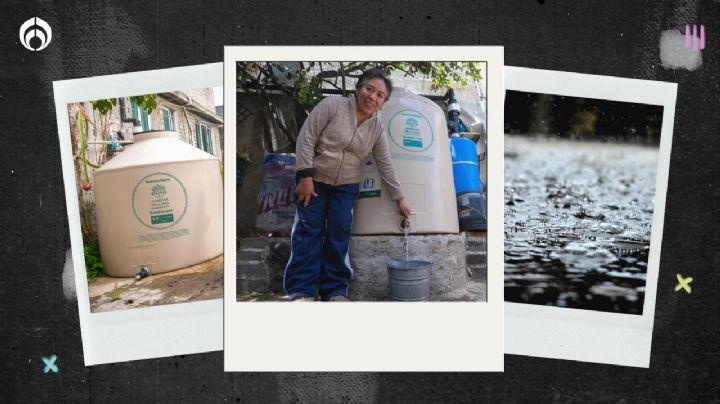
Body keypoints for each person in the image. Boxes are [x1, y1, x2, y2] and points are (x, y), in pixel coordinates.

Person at [283, 68, 412, 302]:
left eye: (380, 95)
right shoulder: (333, 105)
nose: (372, 96)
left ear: (383, 103)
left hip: (346, 187)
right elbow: (307, 137)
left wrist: (399, 197)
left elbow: (385, 163)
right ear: (358, 88)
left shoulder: (376, 128)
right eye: (369, 89)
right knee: (307, 232)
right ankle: (302, 291)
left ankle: (334, 291)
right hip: (314, 180)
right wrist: (304, 176)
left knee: (339, 233)